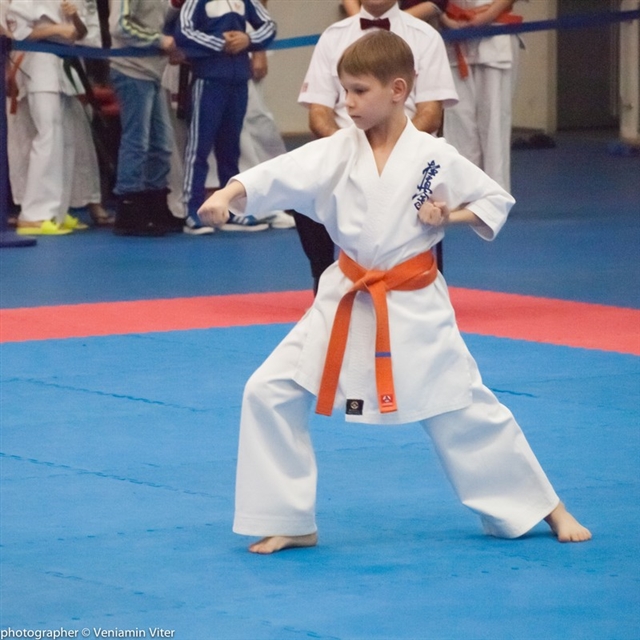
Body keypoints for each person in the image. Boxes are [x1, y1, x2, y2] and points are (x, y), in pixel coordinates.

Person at [198, 31, 591, 554]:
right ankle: (288, 519)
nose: (348, 102)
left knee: (461, 405)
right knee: (269, 390)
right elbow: (278, 174)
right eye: (345, 90)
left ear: (398, 90)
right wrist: (228, 194)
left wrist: (448, 216)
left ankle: (544, 506)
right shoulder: (337, 150)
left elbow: (493, 201)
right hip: (345, 295)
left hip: (413, 301)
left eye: (360, 91)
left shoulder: (433, 156)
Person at [297, 0, 458, 293]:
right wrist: (347, 148)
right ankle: (322, 277)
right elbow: (318, 113)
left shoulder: (425, 36)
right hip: (345, 148)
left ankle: (418, 281)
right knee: (305, 184)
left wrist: (389, 150)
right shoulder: (333, 36)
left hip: (405, 151)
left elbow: (431, 114)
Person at [173, 0, 277, 234]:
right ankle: (192, 210)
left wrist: (248, 40)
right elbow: (184, 32)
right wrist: (221, 43)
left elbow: (269, 25)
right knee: (198, 148)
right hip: (208, 80)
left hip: (238, 81)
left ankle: (233, 209)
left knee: (231, 150)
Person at [6, 0, 102, 235]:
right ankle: (34, 215)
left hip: (65, 65)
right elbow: (16, 30)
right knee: (48, 137)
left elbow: (84, 34)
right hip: (38, 65)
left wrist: (74, 19)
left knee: (66, 140)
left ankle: (57, 211)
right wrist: (55, 29)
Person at [109, 0, 177, 236]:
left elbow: (157, 18)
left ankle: (155, 204)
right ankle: (129, 207)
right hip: (131, 70)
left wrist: (176, 9)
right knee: (137, 141)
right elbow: (120, 25)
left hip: (152, 71)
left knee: (161, 142)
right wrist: (160, 40)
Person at [440, 0, 523, 190]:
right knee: (458, 120)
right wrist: (444, 17)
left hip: (496, 32)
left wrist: (489, 14)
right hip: (455, 31)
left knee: (494, 122)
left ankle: (496, 194)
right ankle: (462, 193)